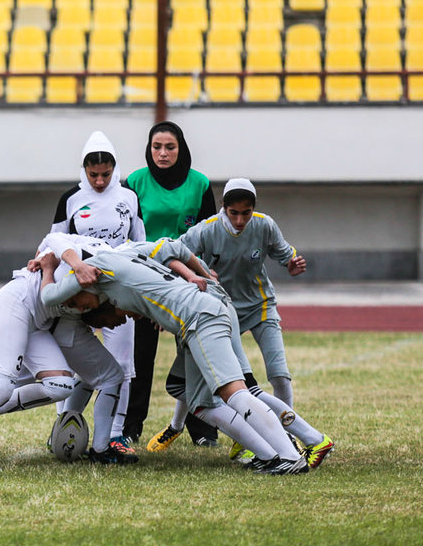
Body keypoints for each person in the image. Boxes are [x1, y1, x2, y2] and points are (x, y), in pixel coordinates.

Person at [40, 234, 311, 474]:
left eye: (76, 302)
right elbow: (173, 246)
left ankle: (289, 456)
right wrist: (200, 271)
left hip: (200, 318)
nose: (79, 308)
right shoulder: (126, 254)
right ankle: (268, 456)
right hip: (200, 314)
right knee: (200, 403)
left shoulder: (96, 269)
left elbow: (49, 295)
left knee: (235, 392)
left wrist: (49, 269)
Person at [0, 251, 126, 470]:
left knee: (61, 386)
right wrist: (52, 263)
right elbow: (53, 242)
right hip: (14, 306)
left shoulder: (101, 265)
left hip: (39, 324)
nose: (125, 319)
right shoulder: (85, 253)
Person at [39, 131, 145, 459]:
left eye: (106, 174)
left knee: (122, 363)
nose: (99, 181)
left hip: (118, 292)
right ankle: (63, 427)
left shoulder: (128, 197)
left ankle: (115, 435)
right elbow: (53, 241)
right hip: (78, 294)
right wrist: (41, 260)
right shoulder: (70, 199)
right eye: (93, 174)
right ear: (84, 170)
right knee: (75, 365)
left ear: (115, 169)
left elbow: (140, 242)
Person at [124, 120, 219, 447]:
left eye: (170, 147)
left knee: (195, 354)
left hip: (188, 280)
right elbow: (125, 237)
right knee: (138, 358)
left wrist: (203, 276)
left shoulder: (200, 184)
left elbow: (209, 237)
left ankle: (204, 429)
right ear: (149, 150)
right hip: (142, 280)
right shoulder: (134, 182)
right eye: (157, 147)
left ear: (182, 149)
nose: (163, 154)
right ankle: (130, 427)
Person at [179, 178, 305, 408]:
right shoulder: (207, 229)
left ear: (253, 209)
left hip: (260, 305)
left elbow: (285, 254)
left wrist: (291, 264)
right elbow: (176, 253)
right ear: (224, 208)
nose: (240, 220)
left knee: (279, 373)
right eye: (233, 213)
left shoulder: (264, 225)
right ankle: (175, 426)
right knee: (207, 374)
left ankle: (288, 433)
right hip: (222, 310)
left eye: (246, 213)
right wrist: (199, 271)